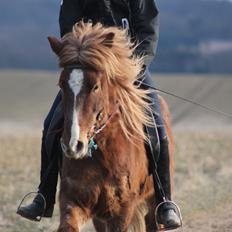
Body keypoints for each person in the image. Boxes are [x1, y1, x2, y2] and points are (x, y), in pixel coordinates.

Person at [17, 0, 181, 229]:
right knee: (50, 126)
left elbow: (148, 29)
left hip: (128, 69)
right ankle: (43, 196)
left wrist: (130, 65)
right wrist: (82, 51)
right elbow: (68, 29)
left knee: (157, 127)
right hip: (85, 67)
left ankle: (164, 202)